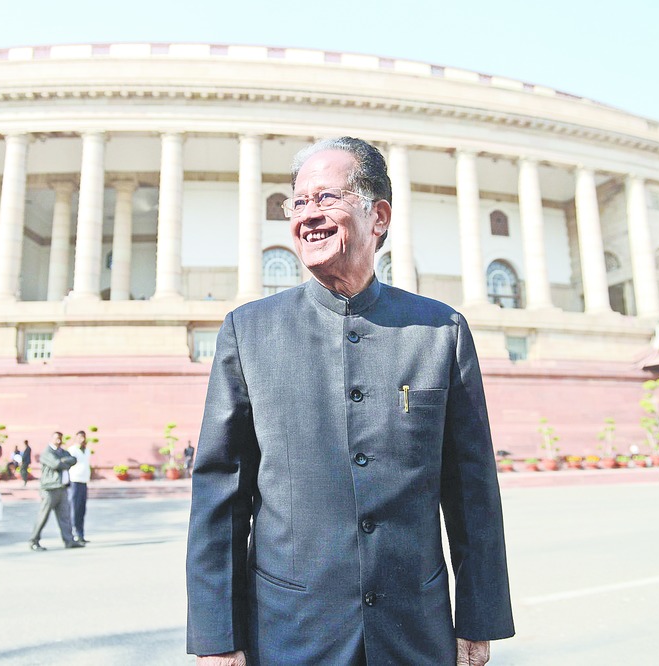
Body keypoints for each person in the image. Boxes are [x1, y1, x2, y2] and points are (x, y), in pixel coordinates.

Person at [186, 137, 514, 665]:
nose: (307, 215)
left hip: (415, 634)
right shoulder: (249, 332)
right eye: (298, 202)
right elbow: (221, 495)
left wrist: (479, 619)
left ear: (378, 216)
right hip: (290, 634)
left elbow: (471, 490)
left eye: (326, 198)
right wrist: (218, 639)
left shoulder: (439, 331)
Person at [28, 432, 83, 551]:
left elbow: (74, 460)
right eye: (57, 438)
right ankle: (34, 540)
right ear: (52, 439)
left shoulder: (62, 452)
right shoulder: (47, 452)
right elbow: (56, 464)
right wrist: (64, 462)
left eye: (60, 439)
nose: (59, 441)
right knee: (43, 516)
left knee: (65, 516)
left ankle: (69, 540)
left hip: (62, 488)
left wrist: (63, 461)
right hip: (49, 489)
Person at [67, 430, 92, 544]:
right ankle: (74, 534)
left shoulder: (87, 450)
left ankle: (81, 534)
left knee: (82, 509)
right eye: (80, 437)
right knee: (75, 509)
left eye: (83, 437)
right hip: (74, 481)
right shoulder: (72, 450)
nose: (82, 439)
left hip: (83, 481)